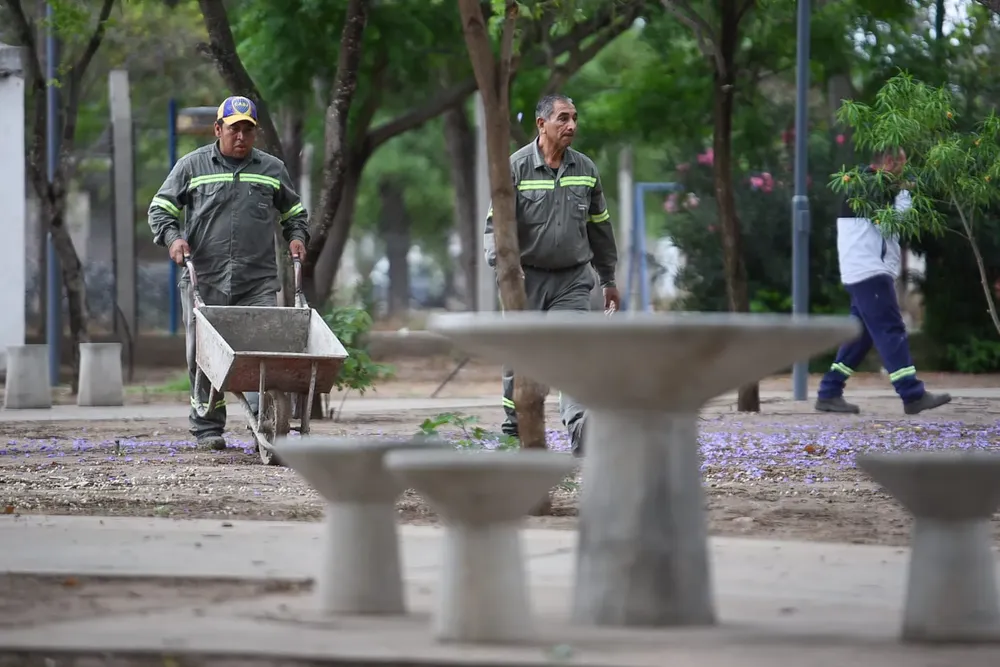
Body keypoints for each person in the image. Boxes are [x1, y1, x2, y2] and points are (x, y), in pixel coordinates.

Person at [147, 96, 310, 450]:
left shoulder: (271, 169)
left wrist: (296, 237)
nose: (241, 136)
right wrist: (174, 239)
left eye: (247, 130)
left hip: (257, 280)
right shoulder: (191, 167)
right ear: (218, 129)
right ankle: (207, 428)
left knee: (262, 353)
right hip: (205, 276)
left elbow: (294, 213)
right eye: (234, 128)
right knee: (203, 355)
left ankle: (263, 422)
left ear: (255, 133)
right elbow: (160, 209)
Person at [483, 93, 620, 457]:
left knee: (570, 350)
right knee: (521, 358)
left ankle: (582, 431)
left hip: (573, 281)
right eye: (562, 118)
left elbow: (600, 229)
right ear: (541, 124)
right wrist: (505, 269)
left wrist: (608, 278)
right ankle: (514, 433)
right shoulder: (515, 168)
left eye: (574, 118)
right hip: (525, 280)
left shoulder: (586, 171)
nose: (571, 125)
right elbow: (495, 228)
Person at [816, 147, 950, 415]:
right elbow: (897, 222)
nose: (904, 169)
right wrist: (905, 192)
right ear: (889, 162)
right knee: (891, 329)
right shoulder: (873, 187)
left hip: (864, 271)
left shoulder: (862, 184)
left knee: (861, 336)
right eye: (902, 163)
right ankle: (912, 394)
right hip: (869, 272)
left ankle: (829, 392)